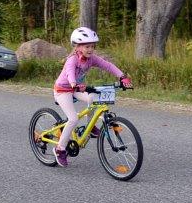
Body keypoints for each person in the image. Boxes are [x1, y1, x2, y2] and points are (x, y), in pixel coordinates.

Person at [53, 27, 133, 166]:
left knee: (94, 98)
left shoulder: (91, 59)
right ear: (77, 47)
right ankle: (60, 149)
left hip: (76, 89)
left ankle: (90, 127)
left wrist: (122, 76)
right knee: (73, 119)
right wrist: (74, 84)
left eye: (92, 46)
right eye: (87, 46)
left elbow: (107, 65)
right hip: (63, 90)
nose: (90, 49)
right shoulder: (72, 60)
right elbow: (70, 73)